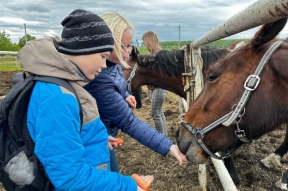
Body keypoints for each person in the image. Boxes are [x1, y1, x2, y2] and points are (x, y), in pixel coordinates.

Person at [18, 9, 153, 190]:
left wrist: (96, 138)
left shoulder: (64, 84)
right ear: (84, 50)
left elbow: (63, 138)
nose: (104, 65)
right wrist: (128, 186)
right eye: (102, 56)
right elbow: (70, 178)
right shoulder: (57, 98)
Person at [84, 12, 187, 173]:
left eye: (129, 45)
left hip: (105, 135)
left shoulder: (114, 62)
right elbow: (129, 122)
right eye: (120, 45)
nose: (126, 53)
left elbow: (117, 83)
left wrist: (125, 95)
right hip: (95, 138)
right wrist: (168, 146)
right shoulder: (99, 77)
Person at [142, 31, 168, 135]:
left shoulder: (162, 55)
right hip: (153, 88)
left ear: (149, 41)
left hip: (159, 87)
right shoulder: (151, 55)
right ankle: (164, 135)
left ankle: (161, 138)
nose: (144, 45)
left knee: (155, 113)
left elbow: (164, 74)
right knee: (159, 112)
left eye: (145, 42)